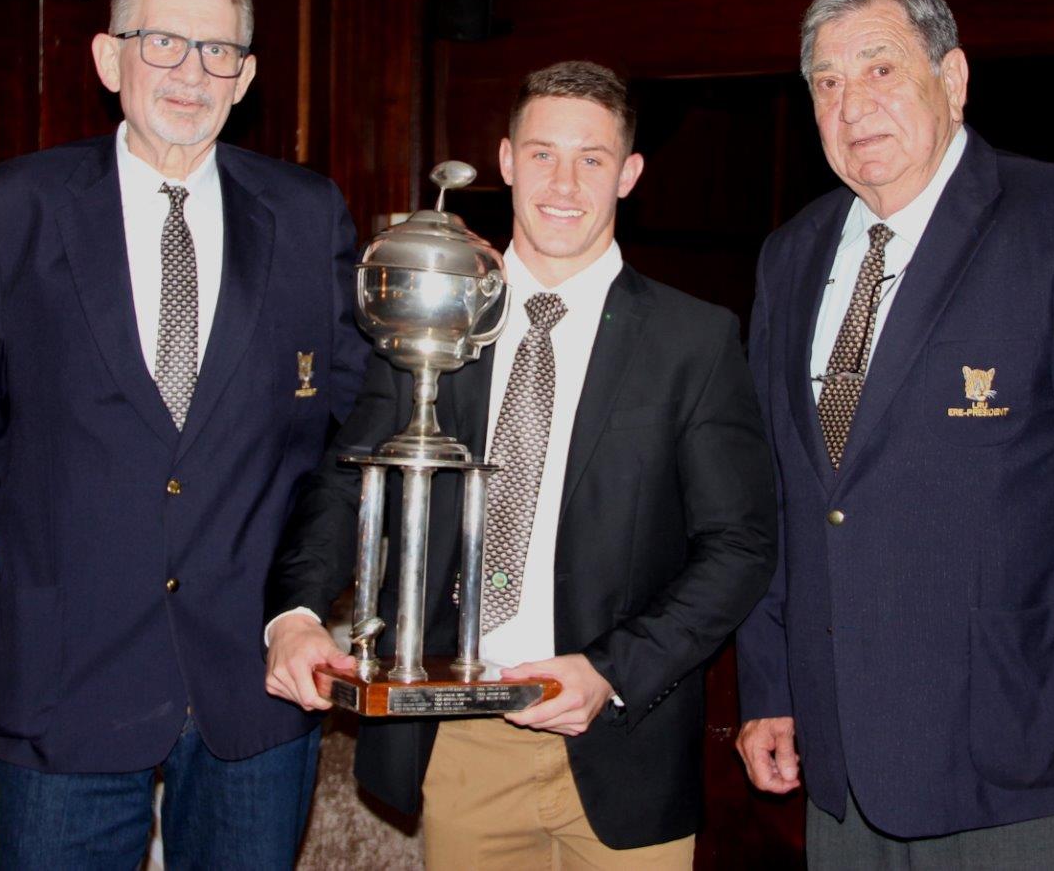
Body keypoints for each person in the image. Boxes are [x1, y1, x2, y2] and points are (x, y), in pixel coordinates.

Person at [736, 0, 1054, 867]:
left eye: (880, 69)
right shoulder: (790, 256)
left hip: (1025, 770)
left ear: (952, 79)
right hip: (840, 775)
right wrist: (771, 683)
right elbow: (781, 501)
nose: (851, 103)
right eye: (826, 82)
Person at [264, 60, 777, 867]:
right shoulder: (430, 316)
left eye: (592, 158)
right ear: (505, 161)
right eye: (542, 154)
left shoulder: (695, 342)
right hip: (464, 742)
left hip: (625, 743)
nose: (564, 182)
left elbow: (741, 545)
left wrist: (611, 672)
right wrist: (293, 615)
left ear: (630, 174)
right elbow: (344, 478)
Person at [0, 0, 368, 868]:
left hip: (254, 686)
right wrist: (70, 552)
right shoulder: (9, 211)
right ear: (108, 56)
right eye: (163, 41)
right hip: (66, 675)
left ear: (246, 76)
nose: (190, 72)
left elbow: (349, 424)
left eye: (218, 52)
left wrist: (299, 593)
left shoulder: (306, 215)